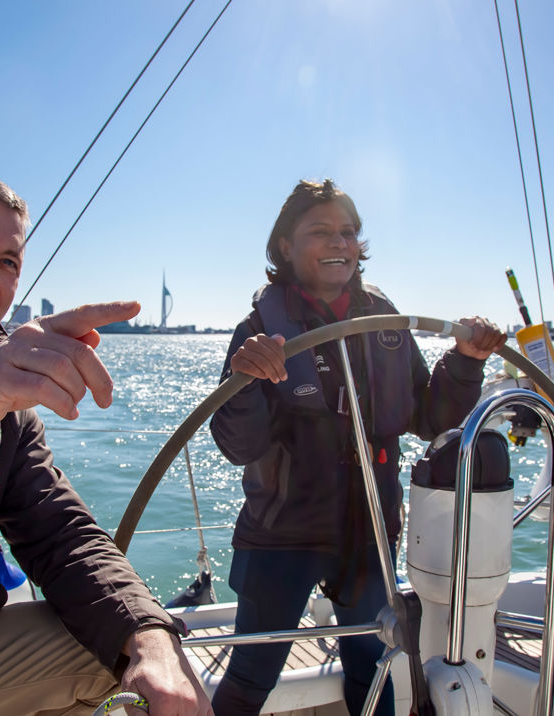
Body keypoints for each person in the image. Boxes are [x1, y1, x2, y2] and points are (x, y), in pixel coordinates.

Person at [0, 172, 213, 715]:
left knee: (115, 656)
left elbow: (60, 532)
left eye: (9, 262)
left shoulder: (4, 397)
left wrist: (150, 637)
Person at [209, 179, 506, 715]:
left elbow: (431, 415)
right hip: (281, 538)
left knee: (373, 672)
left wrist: (465, 361)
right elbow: (238, 444)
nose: (340, 243)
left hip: (370, 534)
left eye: (348, 232)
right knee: (250, 677)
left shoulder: (384, 323)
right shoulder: (256, 332)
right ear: (285, 246)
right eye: (320, 231)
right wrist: (247, 378)